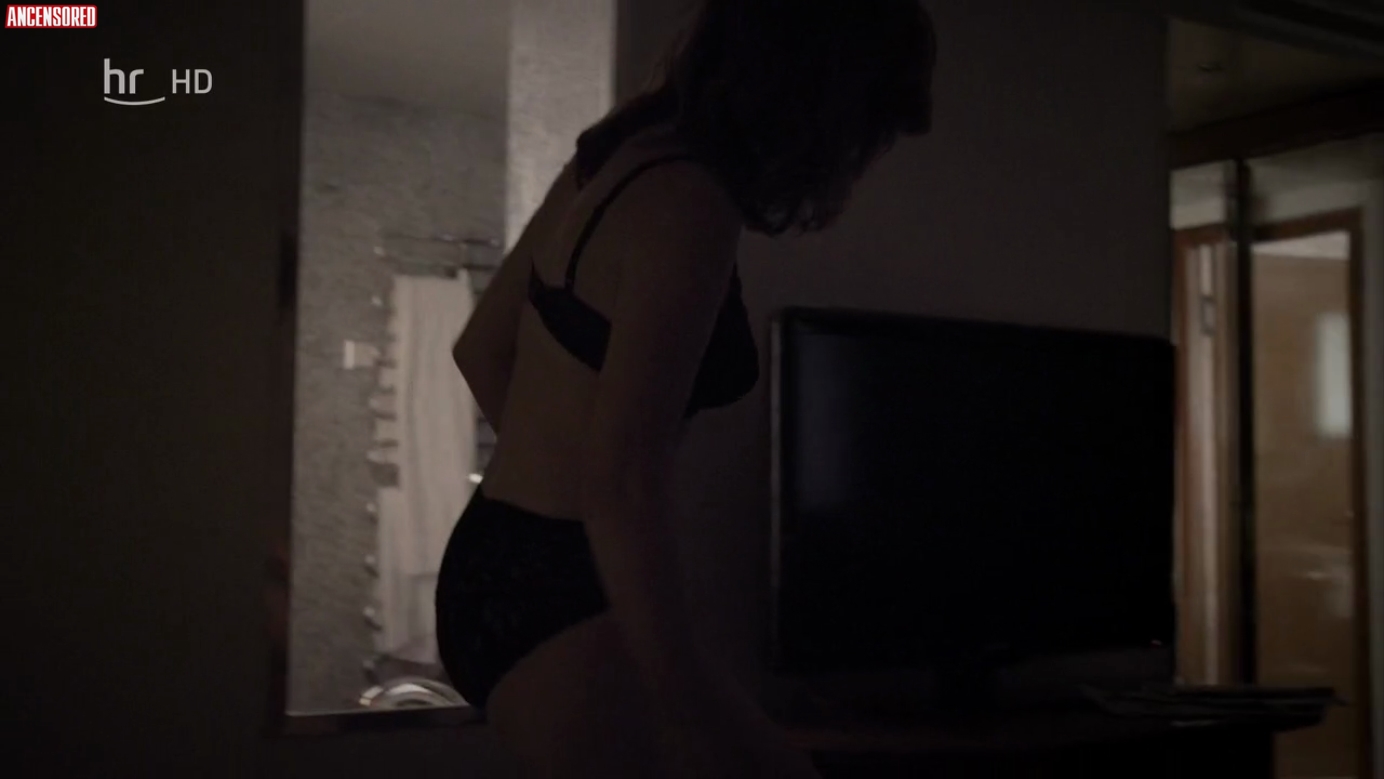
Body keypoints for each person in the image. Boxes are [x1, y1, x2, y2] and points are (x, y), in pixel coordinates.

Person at [435, 0, 936, 775]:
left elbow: (480, 350)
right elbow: (621, 483)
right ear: (817, 97)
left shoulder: (615, 157)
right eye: (860, 131)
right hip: (556, 588)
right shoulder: (691, 203)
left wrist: (546, 498)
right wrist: (688, 699)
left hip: (493, 555)